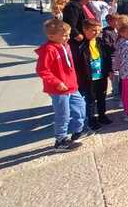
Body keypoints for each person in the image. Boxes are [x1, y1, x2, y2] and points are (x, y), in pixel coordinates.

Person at [36, 19, 92, 151]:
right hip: (58, 89)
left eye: (68, 34)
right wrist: (57, 82)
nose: (68, 37)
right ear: (51, 36)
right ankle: (61, 140)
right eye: (65, 35)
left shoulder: (65, 45)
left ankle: (77, 130)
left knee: (80, 107)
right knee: (63, 114)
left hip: (72, 86)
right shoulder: (48, 50)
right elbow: (42, 70)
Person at [75, 19, 112, 130]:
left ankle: (102, 115)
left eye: (98, 30)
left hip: (101, 74)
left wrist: (109, 70)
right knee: (90, 99)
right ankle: (91, 119)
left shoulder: (100, 42)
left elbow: (107, 56)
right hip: (89, 77)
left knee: (102, 96)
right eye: (93, 30)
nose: (96, 32)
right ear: (85, 30)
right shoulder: (80, 45)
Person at [63, 0, 96, 64]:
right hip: (78, 44)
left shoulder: (87, 5)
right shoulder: (73, 6)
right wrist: (78, 36)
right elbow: (69, 24)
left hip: (87, 41)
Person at [102, 14, 120, 100]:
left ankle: (120, 93)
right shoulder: (106, 31)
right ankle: (116, 94)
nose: (118, 22)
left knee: (121, 76)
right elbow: (107, 45)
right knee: (115, 77)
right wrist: (118, 44)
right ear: (109, 22)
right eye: (116, 20)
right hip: (112, 57)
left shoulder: (118, 30)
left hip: (120, 56)